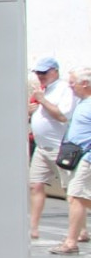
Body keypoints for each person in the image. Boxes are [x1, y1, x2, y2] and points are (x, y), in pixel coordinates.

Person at [29, 58, 74, 243]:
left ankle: (79, 230)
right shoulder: (45, 90)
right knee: (35, 185)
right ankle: (33, 228)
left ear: (55, 71)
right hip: (41, 147)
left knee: (71, 192)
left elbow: (62, 116)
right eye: (38, 73)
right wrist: (32, 110)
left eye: (43, 73)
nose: (40, 76)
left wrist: (42, 101)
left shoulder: (65, 90)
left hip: (59, 147)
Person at [50, 67, 91, 256]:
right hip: (77, 157)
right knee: (79, 197)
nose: (70, 85)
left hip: (86, 158)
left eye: (72, 82)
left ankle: (70, 242)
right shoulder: (83, 102)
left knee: (76, 197)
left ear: (85, 83)